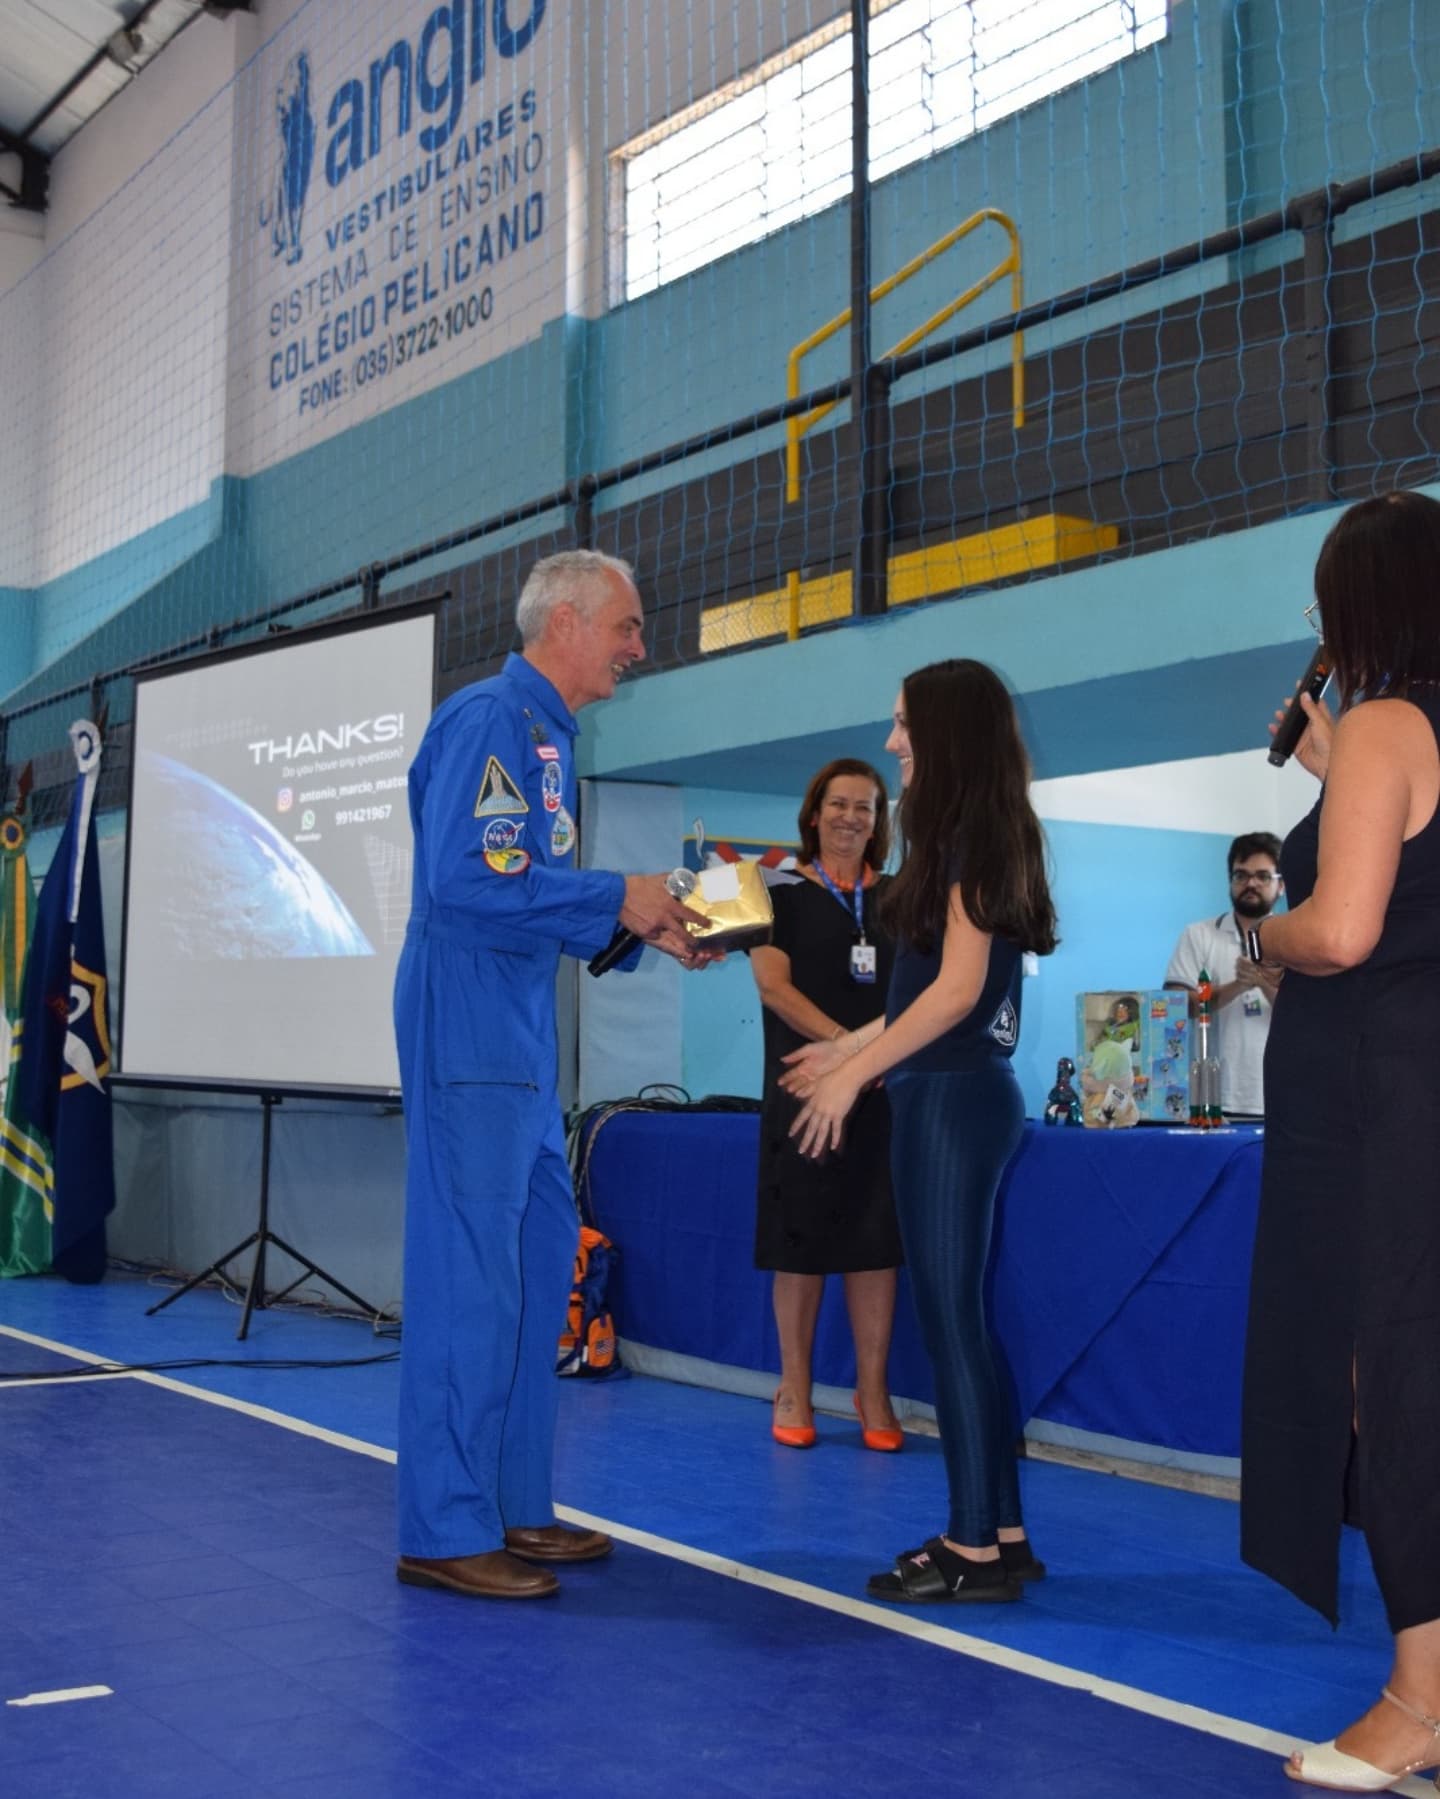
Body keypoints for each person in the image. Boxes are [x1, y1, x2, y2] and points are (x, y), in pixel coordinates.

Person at [393, 549, 712, 1601]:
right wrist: (616, 894)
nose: (638, 646)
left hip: (520, 1032)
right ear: (564, 621)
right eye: (627, 625)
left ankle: (513, 1503)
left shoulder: (546, 739)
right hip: (469, 1021)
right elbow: (464, 882)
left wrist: (646, 925)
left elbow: (535, 892)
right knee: (471, 1277)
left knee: (535, 1269)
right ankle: (444, 1525)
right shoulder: (488, 718)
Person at [782, 659, 1057, 1604]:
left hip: (950, 1103)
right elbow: (923, 995)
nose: (893, 740)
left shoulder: (975, 833)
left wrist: (853, 1075)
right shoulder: (973, 832)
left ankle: (971, 1546)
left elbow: (956, 994)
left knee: (951, 1327)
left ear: (944, 731)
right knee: (961, 1325)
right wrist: (850, 1045)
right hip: (954, 1093)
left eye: (904, 724)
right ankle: (1001, 1532)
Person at [1241, 490, 1440, 1789]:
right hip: (1417, 1090)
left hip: (1375, 1105)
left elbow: (1349, 928)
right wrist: (1336, 780)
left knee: (1393, 1383)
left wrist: (1264, 932)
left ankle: (1421, 1697)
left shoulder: (1384, 724)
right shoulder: (1392, 740)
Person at [749, 758, 903, 1452]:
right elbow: (773, 988)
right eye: (838, 804)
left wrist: (868, 1064)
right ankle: (794, 1386)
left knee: (876, 1244)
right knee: (801, 1242)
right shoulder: (775, 889)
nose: (850, 817)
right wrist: (849, 1050)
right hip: (802, 1090)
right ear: (813, 814)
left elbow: (921, 994)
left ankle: (873, 1391)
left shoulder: (902, 897)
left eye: (864, 807)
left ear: (878, 822)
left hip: (885, 1094)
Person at [1164, 833, 1285, 1119]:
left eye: (1262, 876)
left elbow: (1305, 1016)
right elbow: (1176, 1007)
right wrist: (1237, 986)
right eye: (1241, 875)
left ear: (1281, 885)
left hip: (1277, 1095)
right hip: (1211, 1097)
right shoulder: (1199, 935)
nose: (1251, 884)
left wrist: (1262, 982)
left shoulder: (1295, 940)